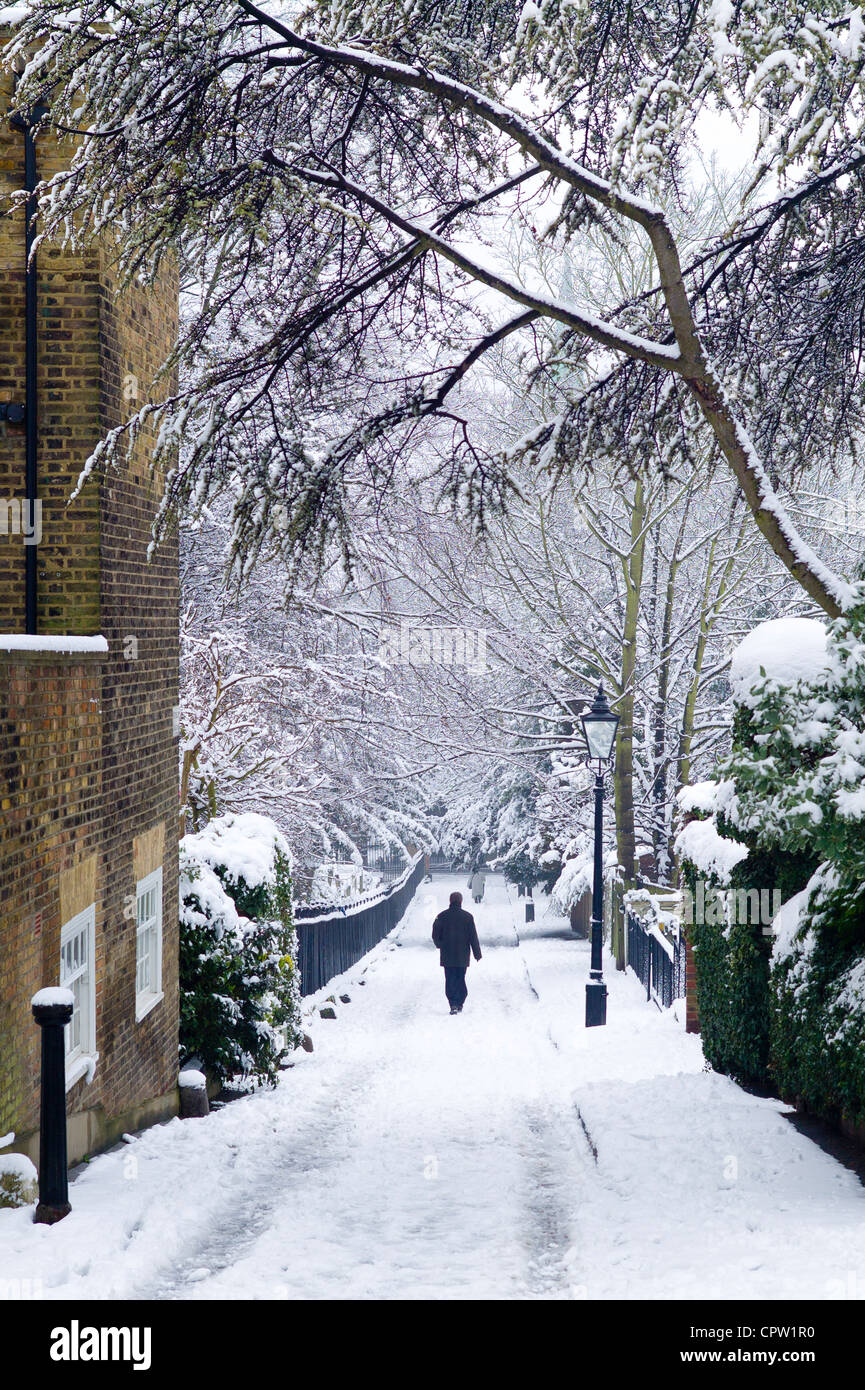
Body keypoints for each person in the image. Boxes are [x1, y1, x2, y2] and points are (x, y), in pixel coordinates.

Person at [431, 890, 482, 1014]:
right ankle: (460, 1001)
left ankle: (453, 1003)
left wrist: (440, 945)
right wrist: (477, 953)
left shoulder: (441, 916)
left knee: (450, 979)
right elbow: (473, 937)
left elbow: (435, 935)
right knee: (460, 977)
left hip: (447, 955)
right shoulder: (468, 917)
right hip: (462, 955)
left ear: (450, 901)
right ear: (461, 901)